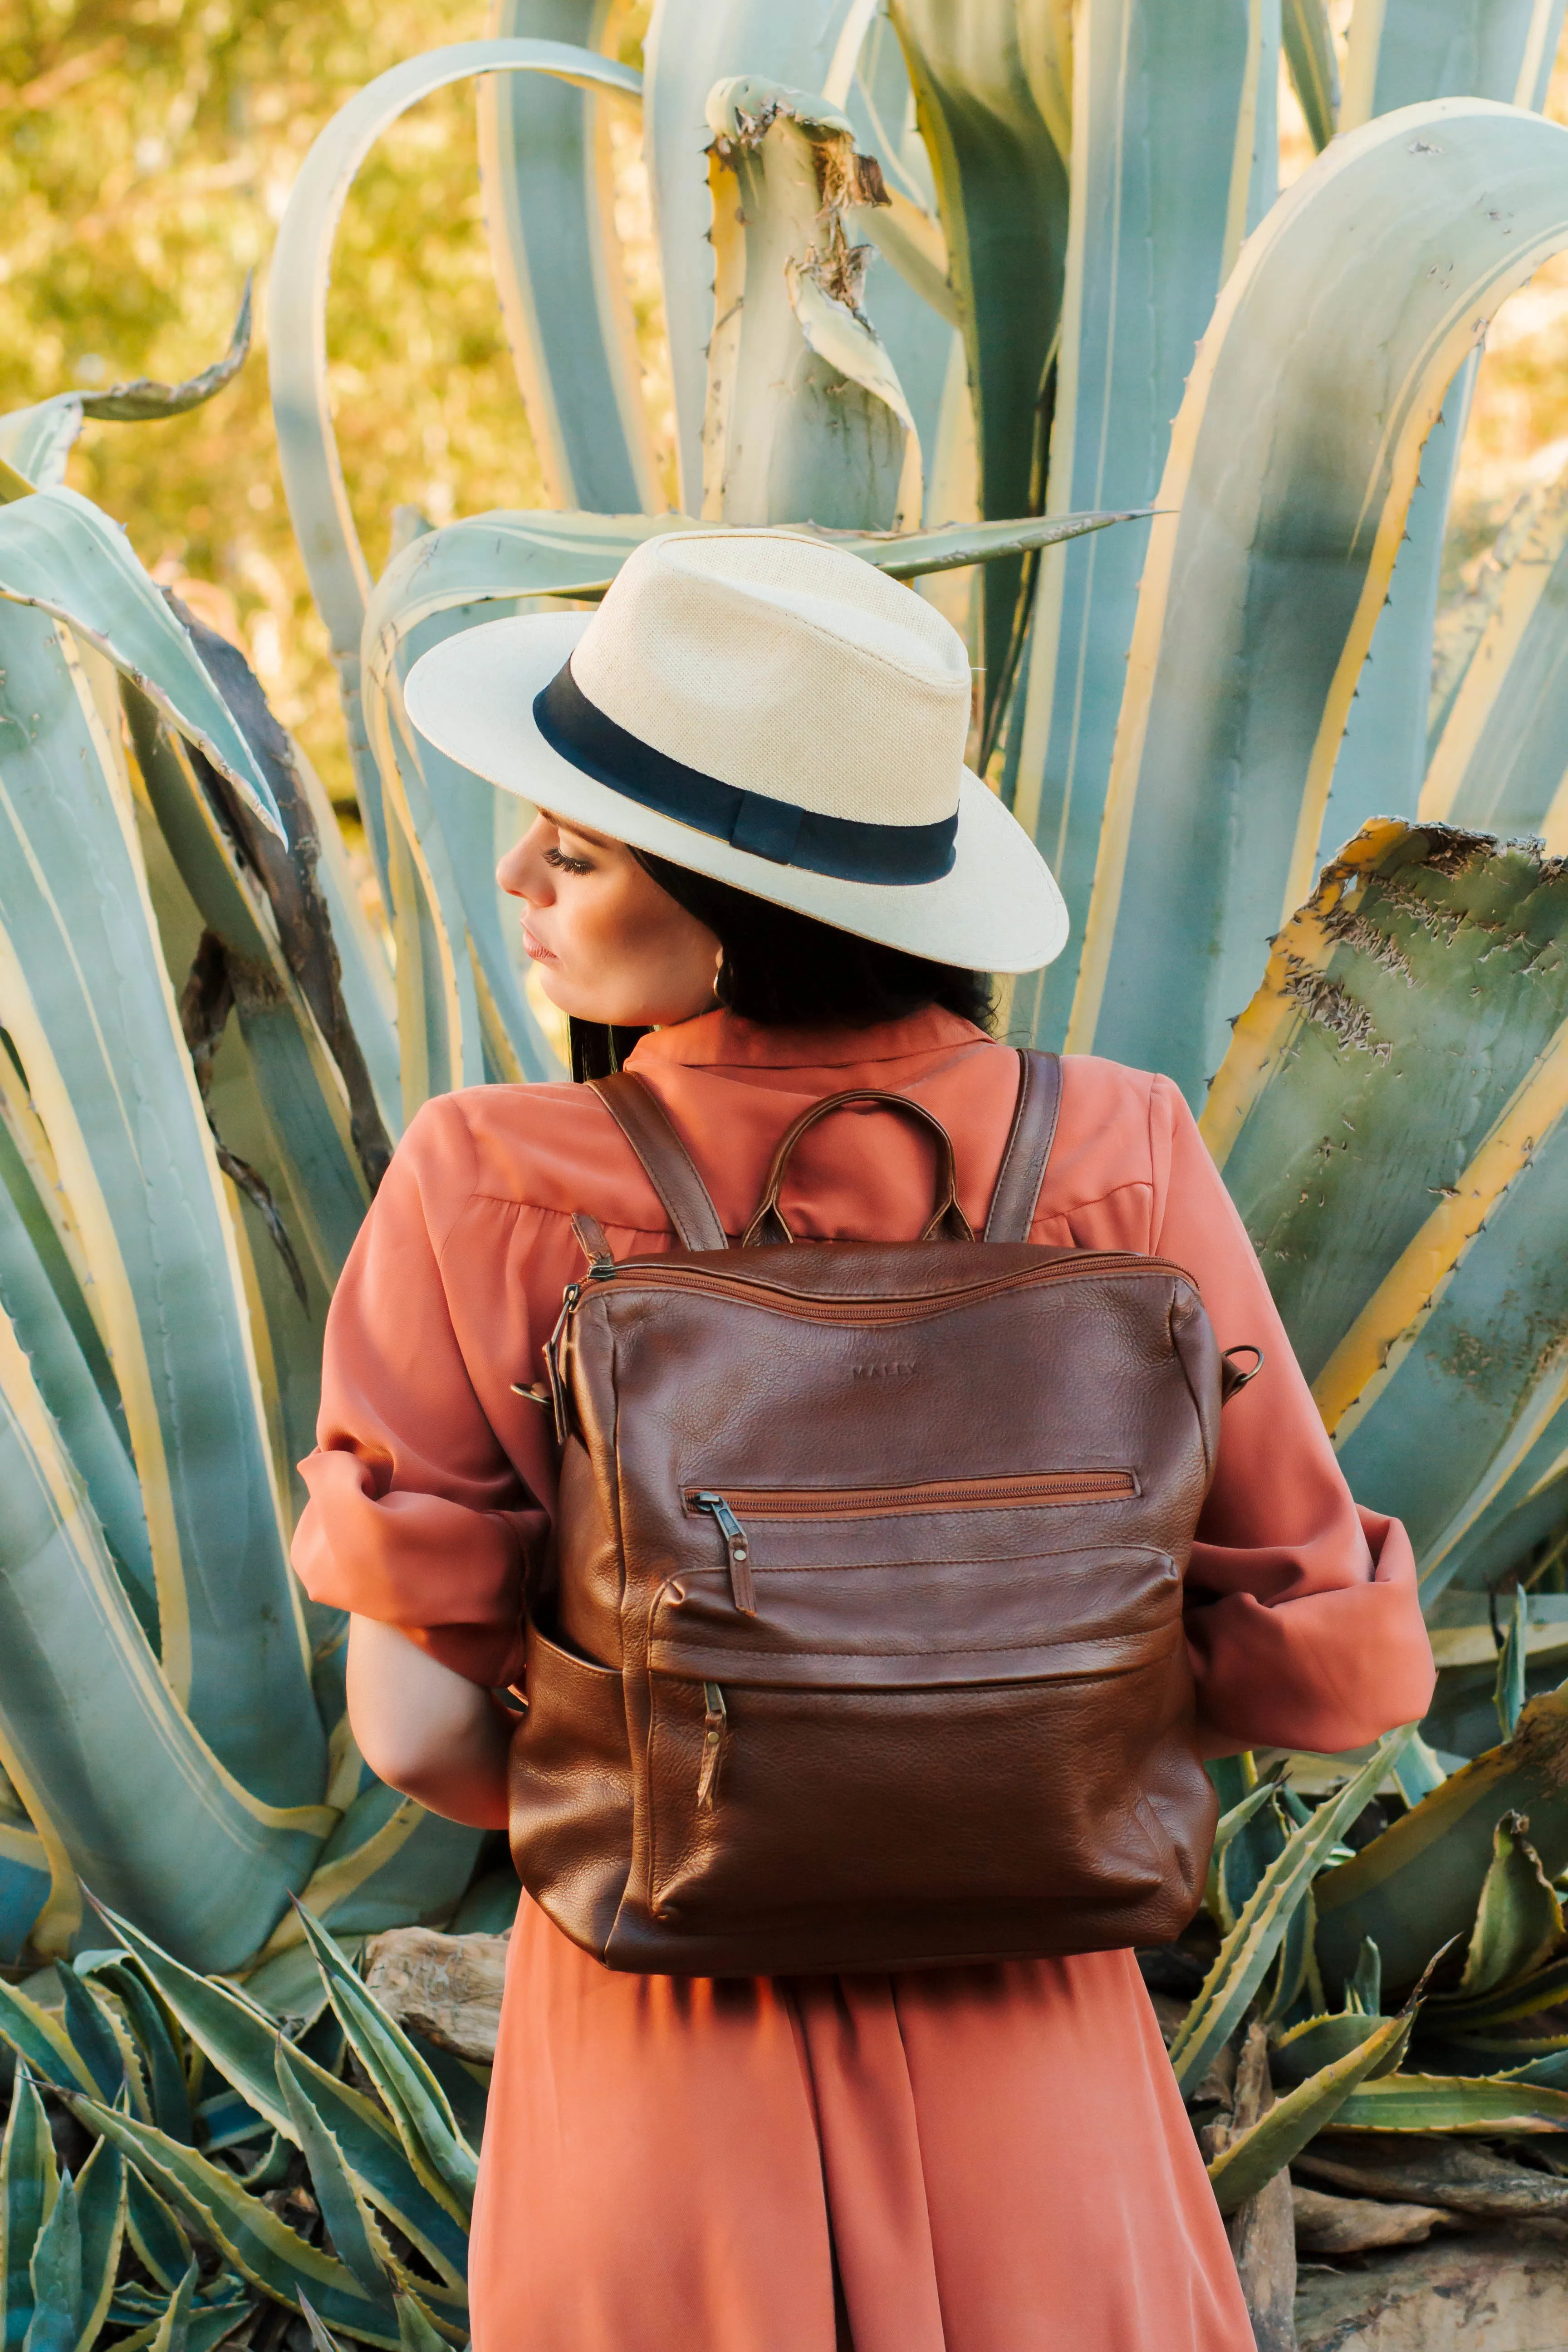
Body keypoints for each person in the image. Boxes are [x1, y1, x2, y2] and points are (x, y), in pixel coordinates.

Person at [292, 528, 1436, 2352]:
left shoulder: (490, 1182)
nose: (516, 873)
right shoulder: (1117, 1152)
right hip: (1041, 2066)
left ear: (731, 895)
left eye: (574, 850)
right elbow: (1325, 1676)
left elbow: (418, 1722)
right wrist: (1000, 1737)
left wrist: (725, 1772)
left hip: (656, 2066)